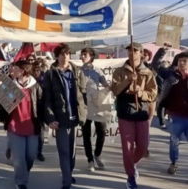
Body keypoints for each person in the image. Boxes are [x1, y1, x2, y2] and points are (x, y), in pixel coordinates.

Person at [110, 43, 157, 189]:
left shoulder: (148, 73)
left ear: (141, 54)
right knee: (127, 149)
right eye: (129, 50)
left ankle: (132, 163)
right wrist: (128, 80)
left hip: (141, 113)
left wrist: (140, 92)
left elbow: (153, 94)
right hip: (125, 114)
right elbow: (116, 91)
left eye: (135, 50)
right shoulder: (119, 71)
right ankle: (130, 177)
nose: (131, 53)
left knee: (143, 146)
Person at [43, 43, 87, 189]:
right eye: (62, 54)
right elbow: (46, 99)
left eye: (68, 54)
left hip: (74, 118)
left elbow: (83, 94)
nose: (66, 56)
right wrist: (50, 118)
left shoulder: (77, 72)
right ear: (57, 56)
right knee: (63, 151)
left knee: (72, 152)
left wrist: (83, 113)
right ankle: (66, 181)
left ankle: (68, 172)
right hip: (60, 119)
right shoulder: (51, 74)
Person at [0, 60, 43, 189]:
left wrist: (49, 120)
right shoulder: (9, 85)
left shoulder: (36, 86)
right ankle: (20, 182)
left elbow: (41, 106)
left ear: (22, 70)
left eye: (15, 68)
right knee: (19, 159)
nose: (12, 70)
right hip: (14, 126)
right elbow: (2, 104)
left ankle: (23, 171)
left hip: (31, 126)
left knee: (31, 155)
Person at [152, 43, 188, 175]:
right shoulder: (171, 74)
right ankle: (174, 162)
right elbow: (155, 65)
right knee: (174, 141)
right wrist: (163, 50)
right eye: (180, 61)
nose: (182, 63)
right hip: (176, 116)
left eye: (185, 61)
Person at [80, 48, 109, 172]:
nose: (82, 56)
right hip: (84, 105)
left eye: (85, 54)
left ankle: (97, 154)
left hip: (97, 105)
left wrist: (111, 87)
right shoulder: (78, 71)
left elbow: (106, 85)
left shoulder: (97, 70)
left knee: (101, 131)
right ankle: (90, 160)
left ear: (91, 56)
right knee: (86, 134)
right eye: (81, 55)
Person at [32, 65, 45, 161]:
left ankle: (39, 152)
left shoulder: (44, 82)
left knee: (40, 133)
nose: (36, 72)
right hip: (29, 110)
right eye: (34, 70)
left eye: (38, 70)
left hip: (40, 111)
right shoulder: (28, 82)